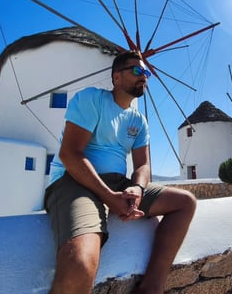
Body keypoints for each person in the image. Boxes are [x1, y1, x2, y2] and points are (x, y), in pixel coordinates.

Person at [44, 50, 197, 294]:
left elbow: (143, 166)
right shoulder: (92, 99)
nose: (144, 76)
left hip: (118, 184)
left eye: (146, 72)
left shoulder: (139, 121)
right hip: (75, 181)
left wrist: (136, 187)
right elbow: (70, 153)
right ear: (116, 77)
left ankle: (150, 287)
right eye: (137, 70)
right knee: (80, 265)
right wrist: (108, 196)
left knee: (185, 202)